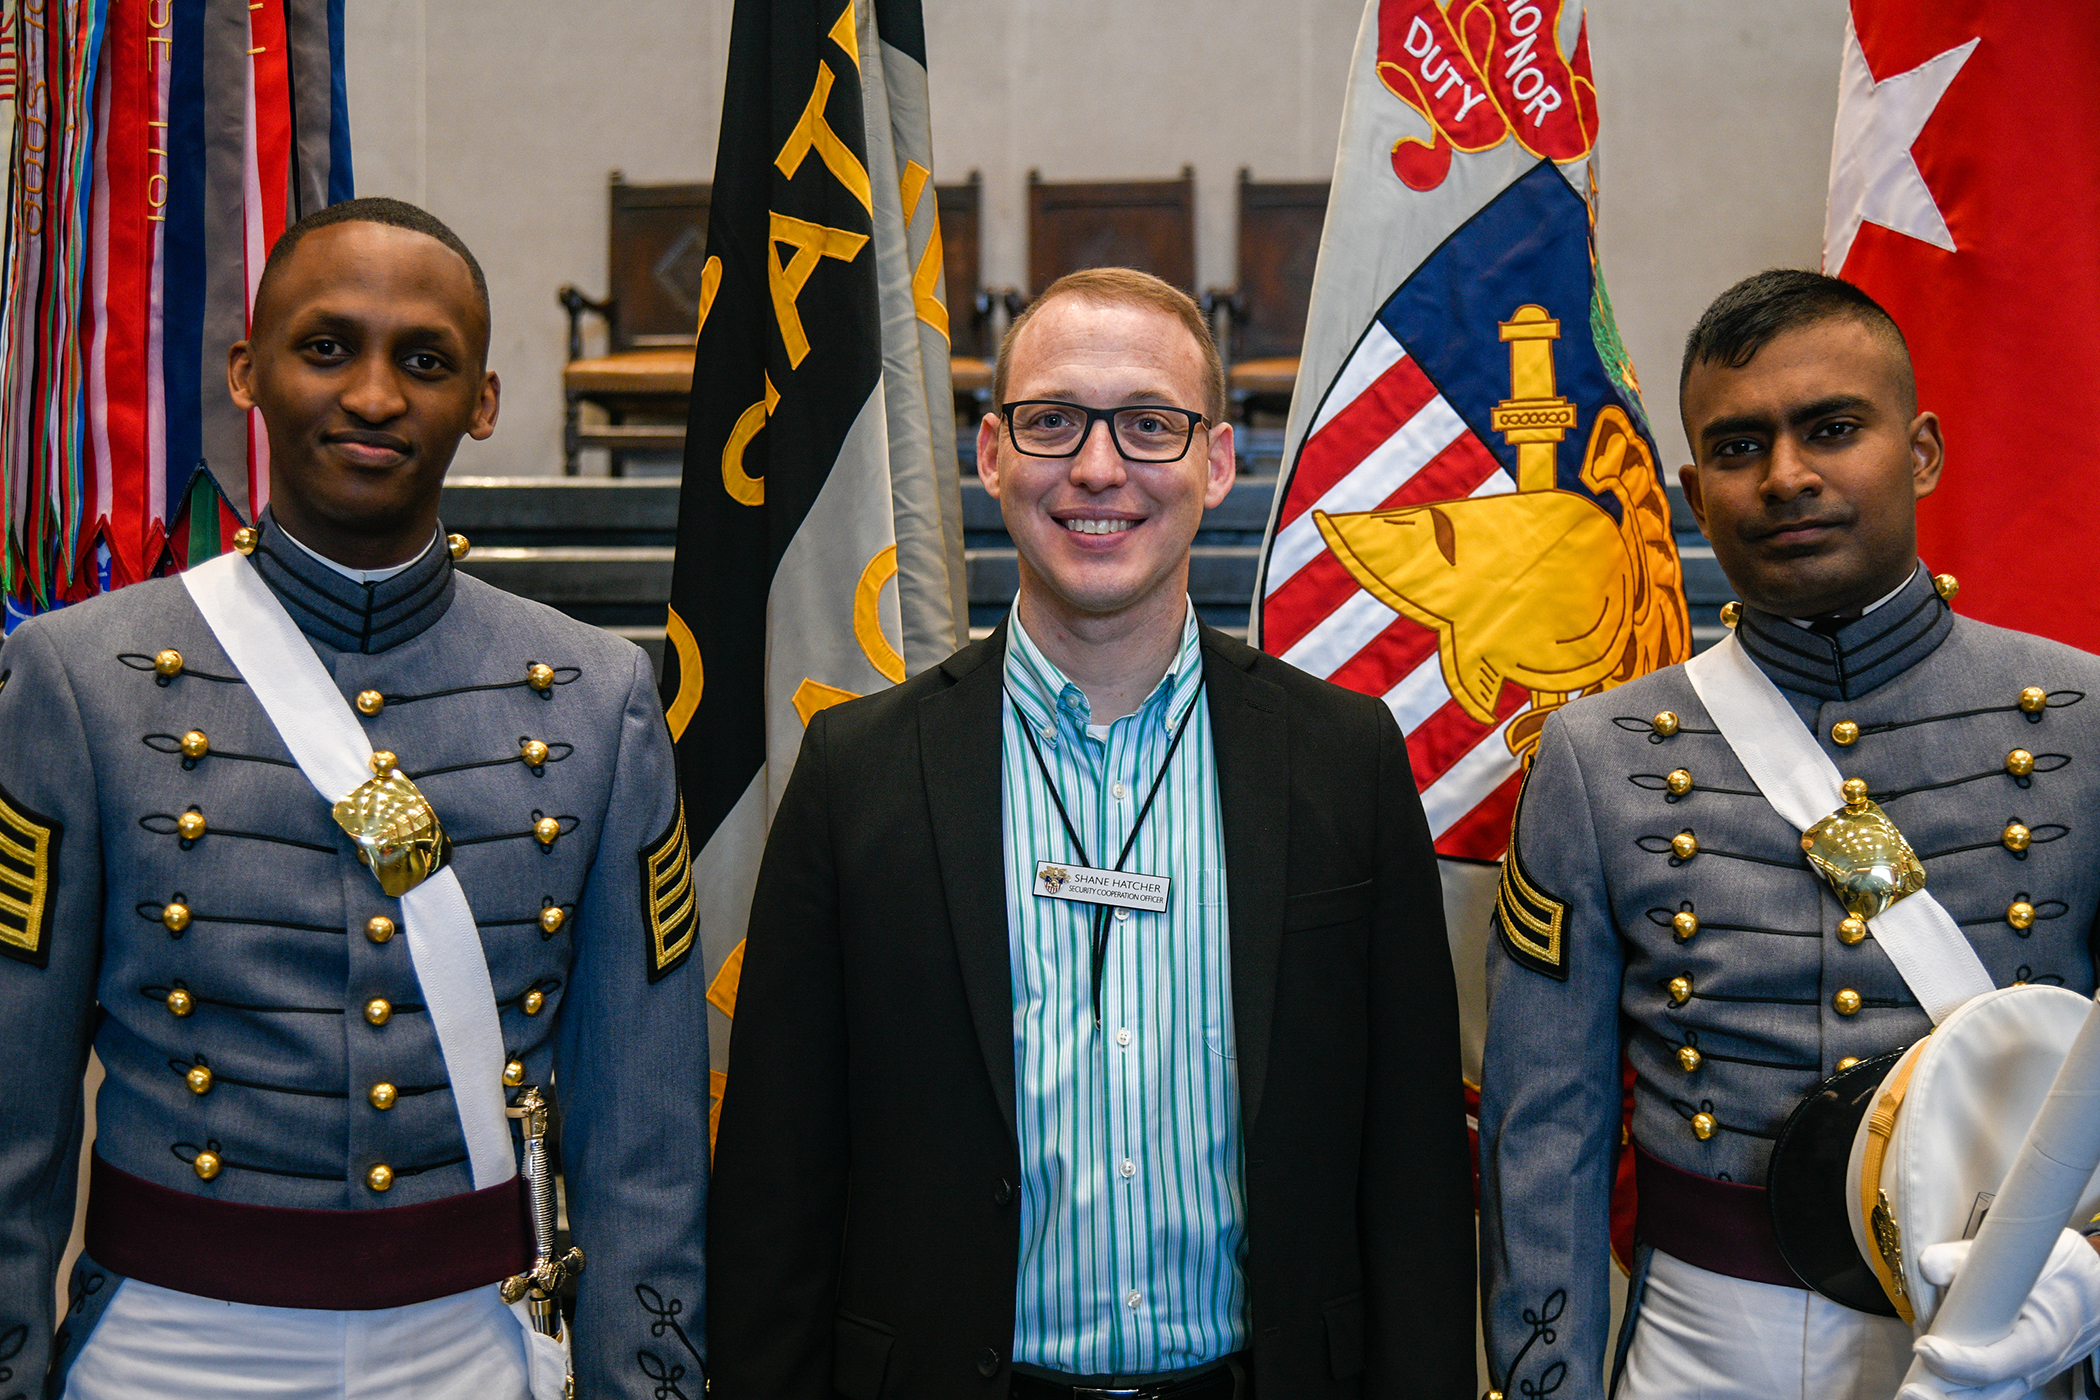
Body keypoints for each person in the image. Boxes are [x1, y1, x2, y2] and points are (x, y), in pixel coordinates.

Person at [707, 267, 1475, 1400]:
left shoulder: (1343, 760)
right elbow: (780, 1180)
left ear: (1216, 462)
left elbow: (1410, 1168)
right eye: (1053, 421)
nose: (1099, 468)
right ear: (991, 454)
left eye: (1149, 424)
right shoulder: (857, 772)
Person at [0, 197, 709, 1399]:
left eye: (424, 360)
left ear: (482, 401)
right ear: (248, 371)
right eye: (327, 347)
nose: (374, 395)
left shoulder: (600, 695)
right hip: (171, 1345)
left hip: (470, 1344)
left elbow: (642, 1135)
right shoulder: (78, 677)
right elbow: (11, 1102)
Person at [1478, 268, 2100, 1399]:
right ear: (1692, 489)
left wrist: (2090, 1278)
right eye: (1738, 446)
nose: (1788, 476)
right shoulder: (1593, 753)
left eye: (1832, 428)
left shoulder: (2083, 721)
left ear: (1920, 452)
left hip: (2005, 1325)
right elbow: (1543, 1130)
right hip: (1704, 1338)